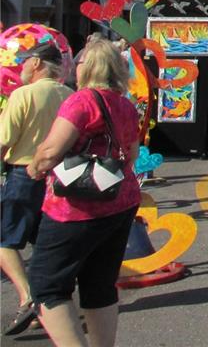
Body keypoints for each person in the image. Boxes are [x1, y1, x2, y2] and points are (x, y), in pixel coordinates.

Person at [26, 37, 141, 347]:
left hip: (75, 209)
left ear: (86, 68)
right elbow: (131, 156)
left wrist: (35, 167)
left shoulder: (82, 101)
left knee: (46, 286)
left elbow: (51, 152)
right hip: (120, 201)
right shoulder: (126, 105)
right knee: (100, 285)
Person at [0, 40, 72, 335]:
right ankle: (52, 300)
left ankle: (28, 294)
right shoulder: (69, 94)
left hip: (24, 174)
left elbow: (4, 139)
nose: (22, 66)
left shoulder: (23, 95)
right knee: (45, 242)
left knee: (6, 242)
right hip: (60, 178)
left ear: (38, 63)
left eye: (26, 61)